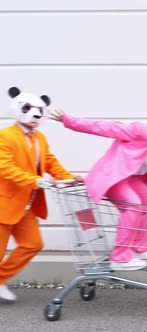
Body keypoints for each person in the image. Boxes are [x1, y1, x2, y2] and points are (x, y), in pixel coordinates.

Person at [49, 104, 147, 271]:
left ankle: (140, 247)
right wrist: (70, 121)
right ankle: (120, 257)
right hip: (114, 178)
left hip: (131, 179)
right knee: (133, 205)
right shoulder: (141, 131)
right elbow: (106, 128)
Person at [0, 87, 81, 301]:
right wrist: (36, 181)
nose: (36, 115)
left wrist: (69, 178)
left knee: (33, 244)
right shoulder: (5, 136)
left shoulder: (40, 138)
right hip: (4, 204)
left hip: (26, 205)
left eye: (39, 111)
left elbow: (49, 162)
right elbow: (4, 167)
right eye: (29, 109)